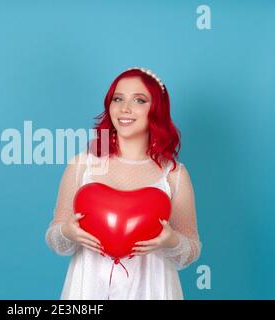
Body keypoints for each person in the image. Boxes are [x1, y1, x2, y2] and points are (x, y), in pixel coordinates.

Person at [45, 67, 202, 300]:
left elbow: (191, 250)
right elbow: (55, 239)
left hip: (152, 288)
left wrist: (171, 240)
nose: (125, 108)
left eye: (139, 100)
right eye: (118, 99)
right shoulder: (82, 165)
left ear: (156, 109)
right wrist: (67, 231)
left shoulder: (175, 174)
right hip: (90, 289)